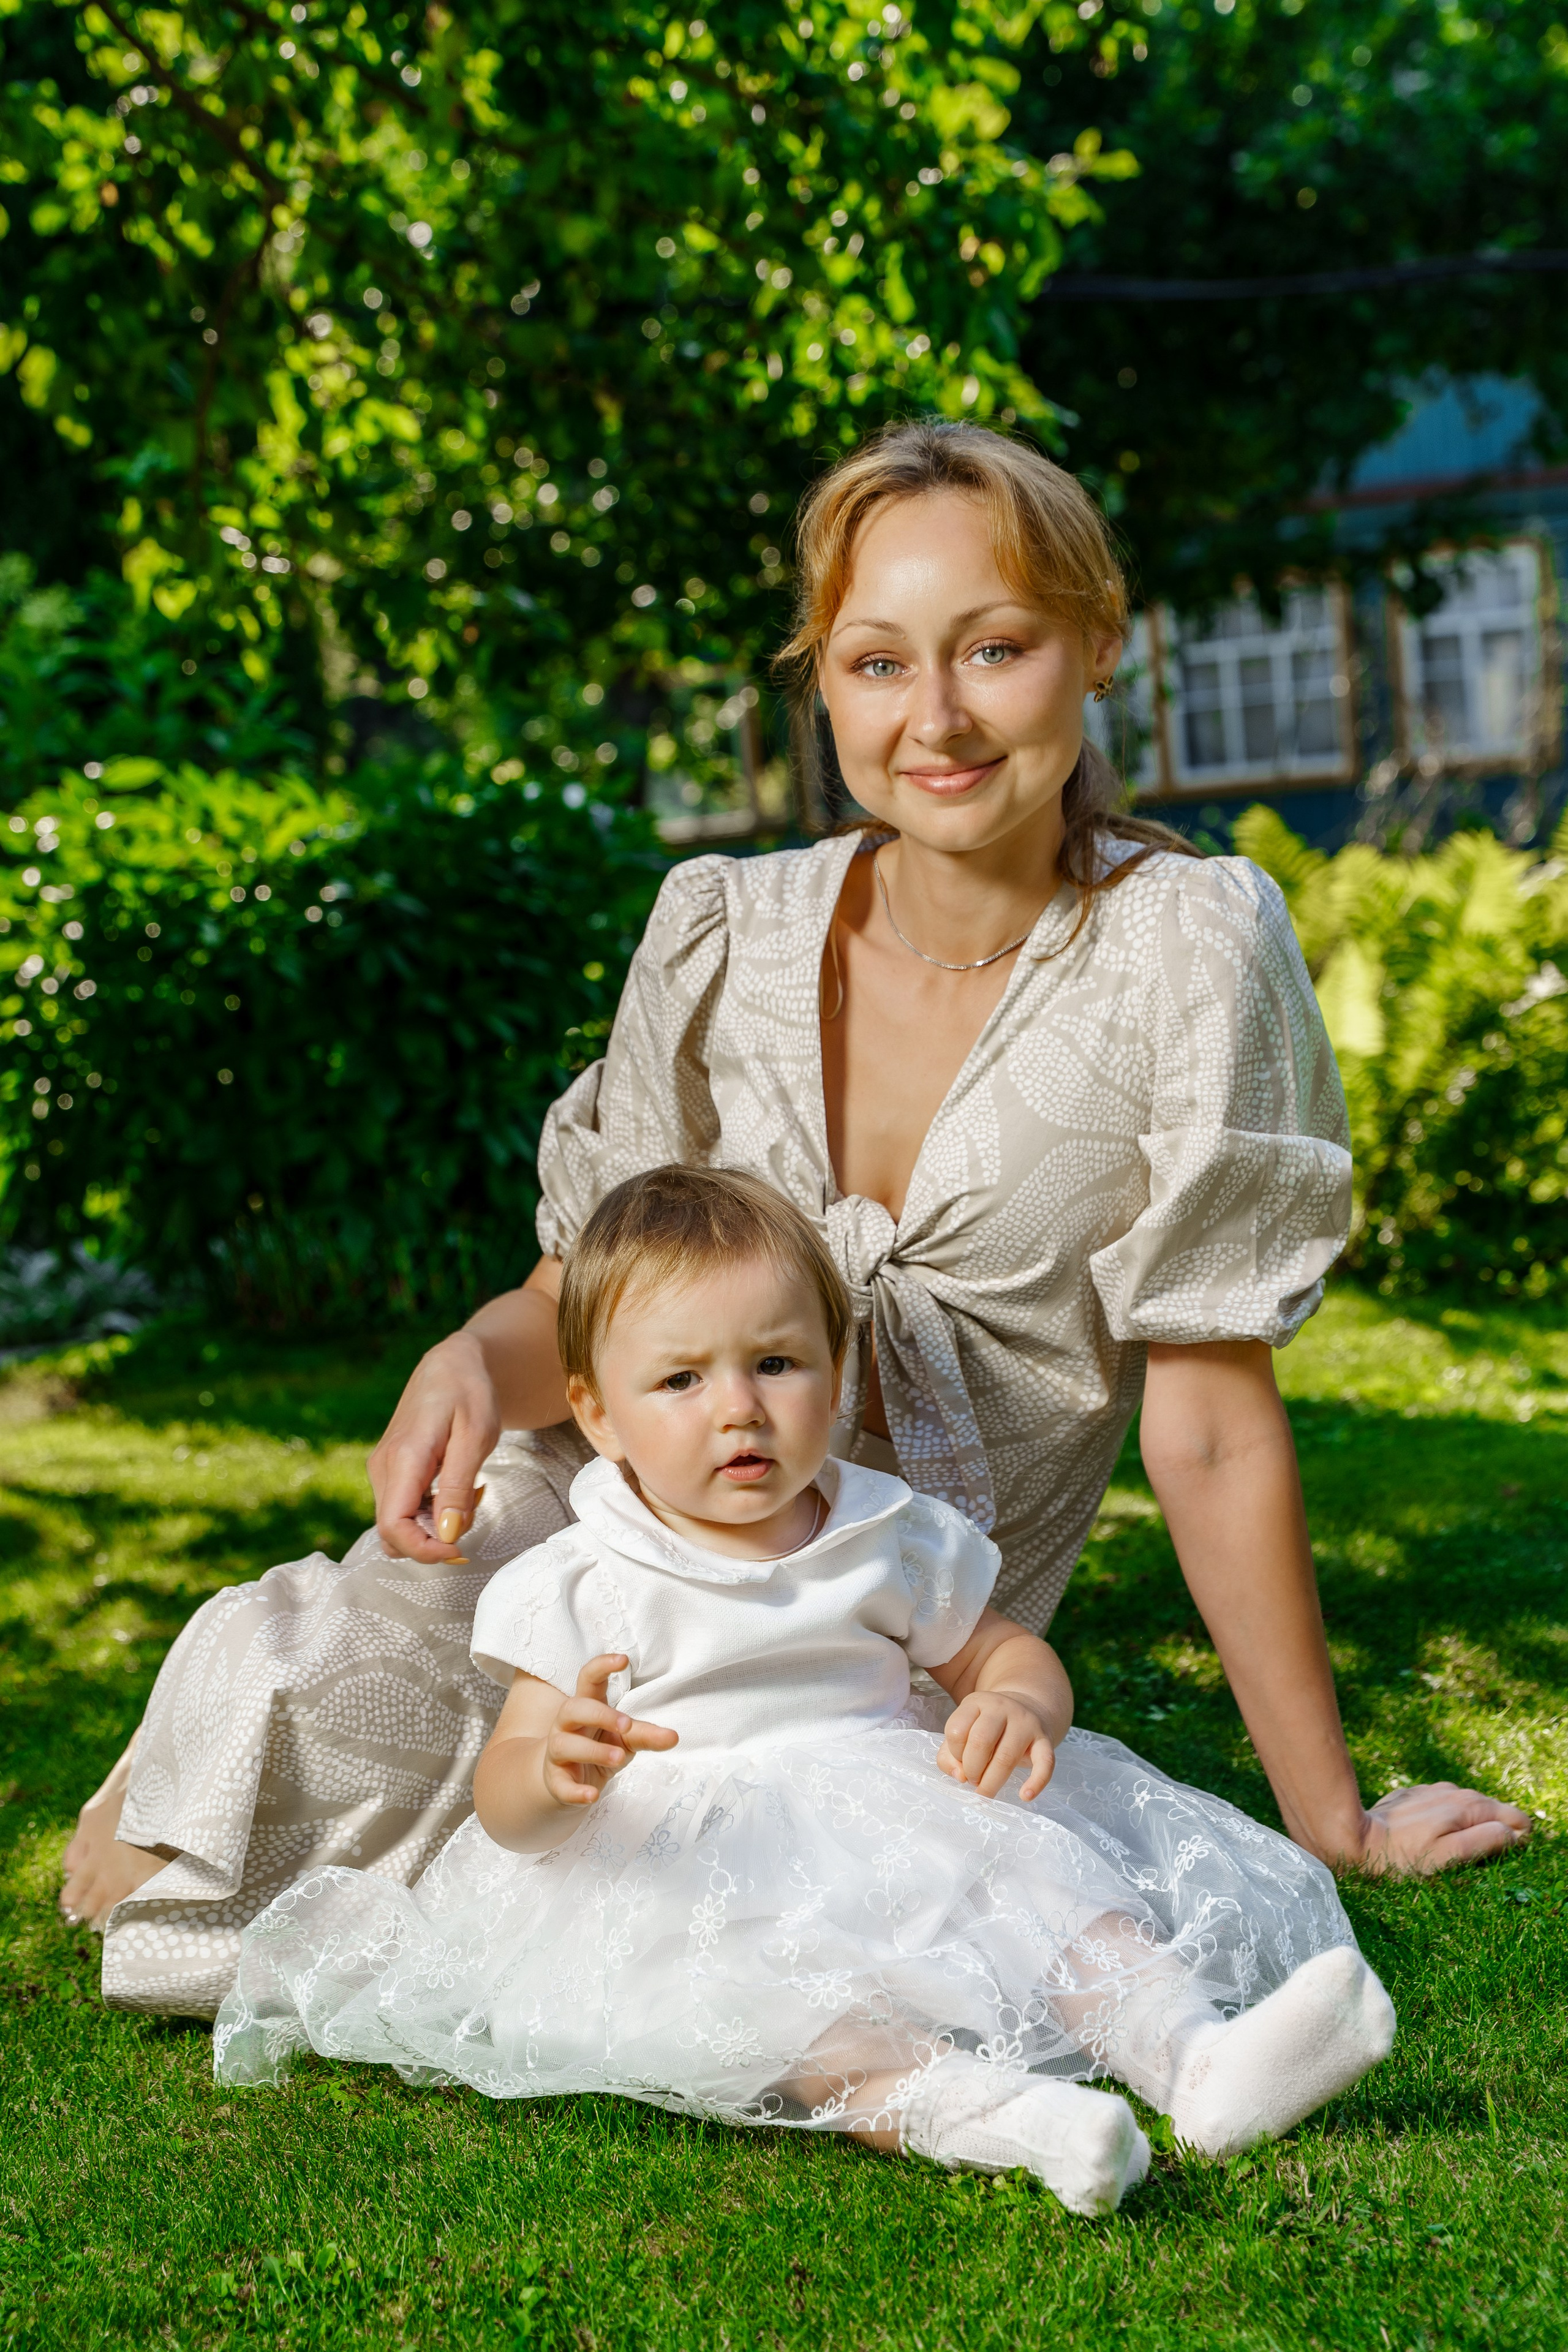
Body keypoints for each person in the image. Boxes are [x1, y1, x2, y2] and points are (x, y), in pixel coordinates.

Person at [67, 420, 1529, 2014]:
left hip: (872, 1624)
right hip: (615, 1537)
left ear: (1099, 642)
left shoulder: (1189, 948)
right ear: (823, 684)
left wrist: (1334, 1819)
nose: (940, 718)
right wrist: (476, 1365)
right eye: (877, 664)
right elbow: (584, 1292)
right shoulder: (720, 928)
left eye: (996, 648)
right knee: (255, 1804)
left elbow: (1212, 1427)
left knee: (715, 1894)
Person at [214, 1167, 1396, 2214]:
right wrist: (556, 1769)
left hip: (897, 1809)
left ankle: (1193, 2057)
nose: (739, 1407)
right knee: (791, 2025)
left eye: (776, 1363)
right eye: (680, 1379)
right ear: (595, 1412)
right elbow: (507, 1798)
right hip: (684, 1865)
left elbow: (1001, 1652)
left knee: (1057, 1900)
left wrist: (1019, 1703)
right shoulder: (578, 1576)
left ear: (838, 1375)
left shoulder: (887, 1532)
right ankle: (990, 2116)